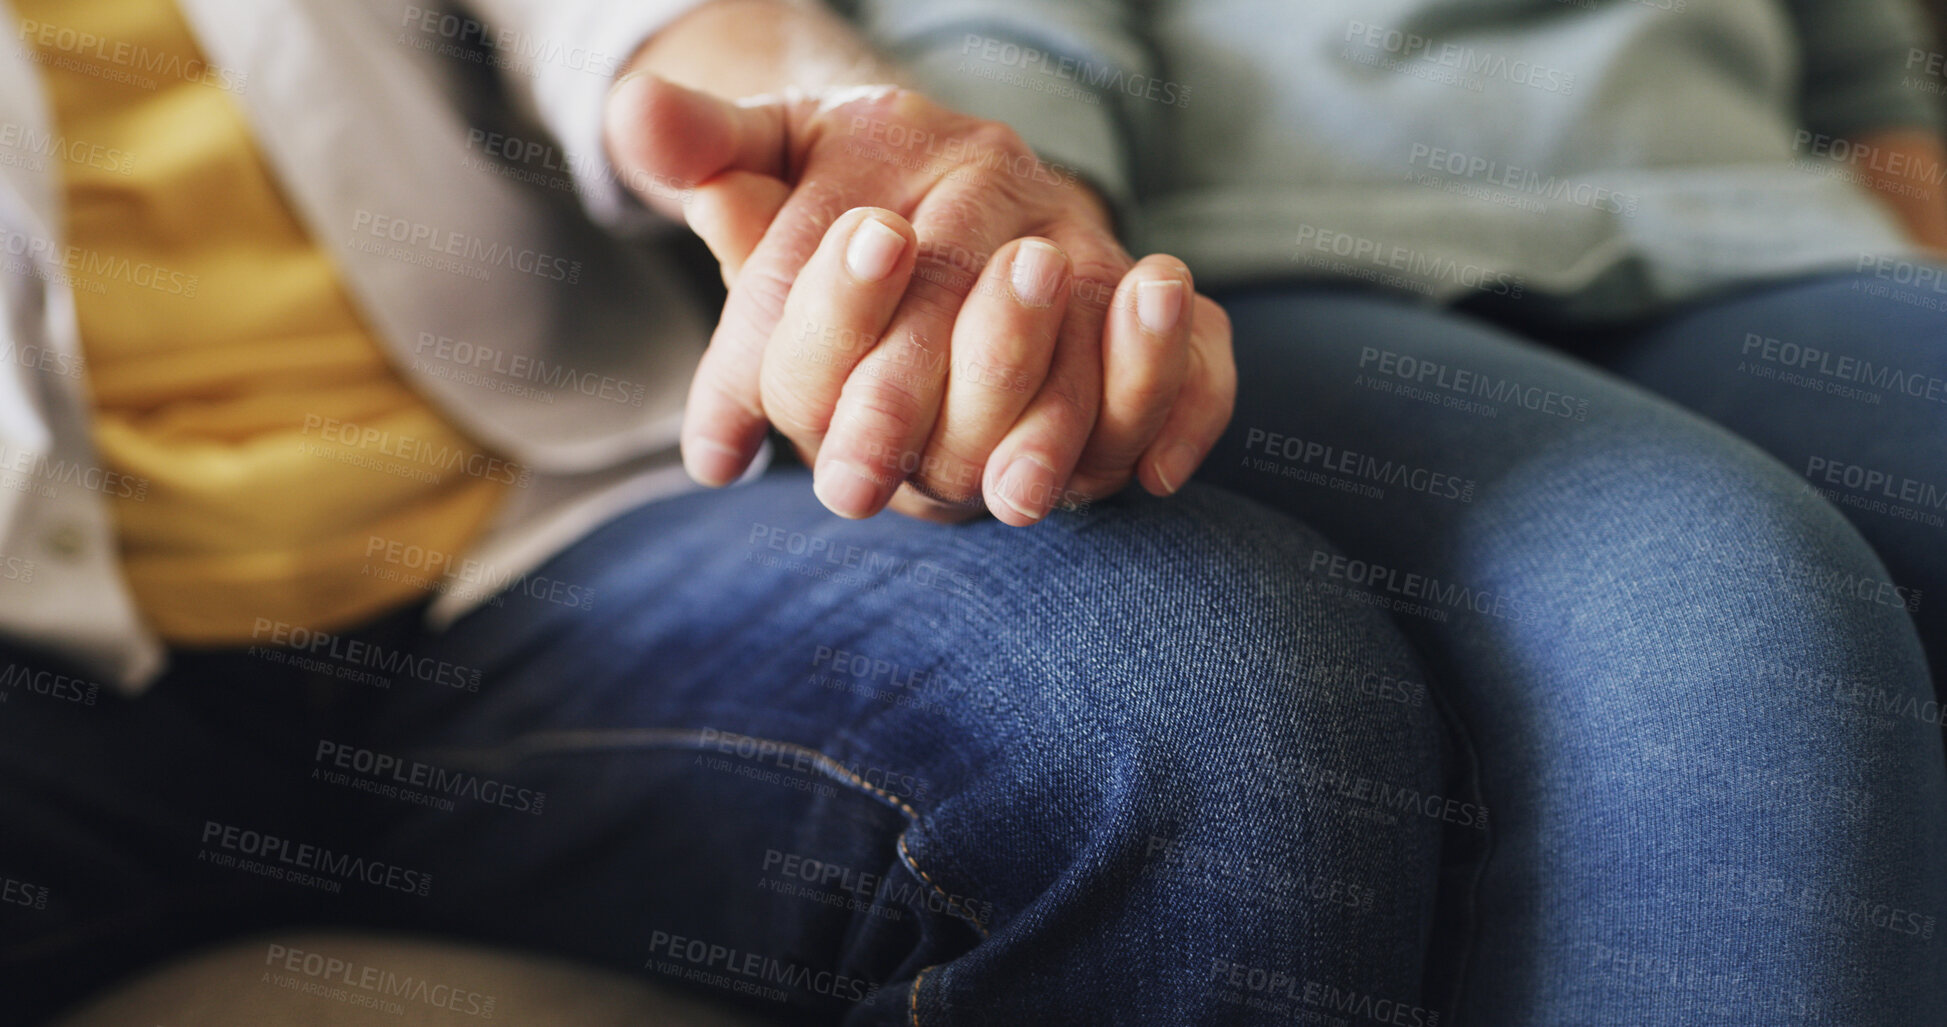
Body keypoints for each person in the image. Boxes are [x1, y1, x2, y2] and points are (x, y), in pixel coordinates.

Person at [0, 1, 1450, 1025]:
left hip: (536, 551)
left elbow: (636, 23)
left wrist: (831, 124)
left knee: (1196, 705)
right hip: (43, 663)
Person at [712, 0, 1947, 1022]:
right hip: (1259, 251)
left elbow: (1862, 82)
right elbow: (1017, 29)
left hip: (1770, 234)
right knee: (1720, 616)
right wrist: (1034, 230)